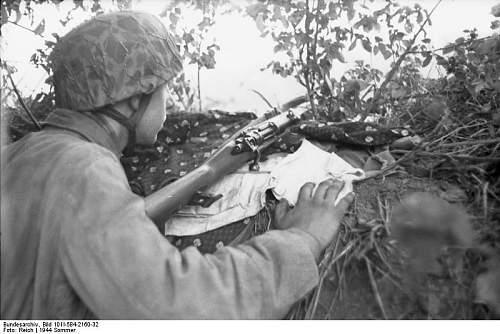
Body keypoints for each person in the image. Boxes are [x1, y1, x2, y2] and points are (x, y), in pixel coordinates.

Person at [0, 11, 353, 319]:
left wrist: (210, 171)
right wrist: (301, 239)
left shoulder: (18, 153)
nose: (167, 102)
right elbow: (181, 307)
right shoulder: (85, 169)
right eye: (164, 89)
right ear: (132, 100)